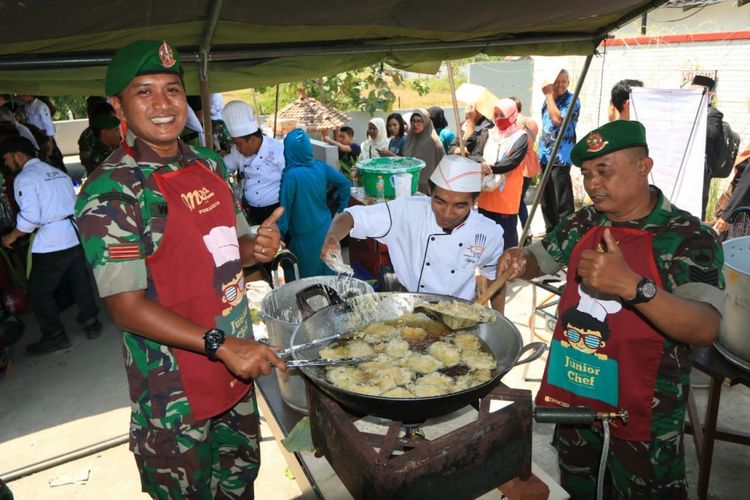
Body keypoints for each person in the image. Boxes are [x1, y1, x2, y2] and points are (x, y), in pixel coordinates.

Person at [74, 40, 286, 498]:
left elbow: (233, 248)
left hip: (236, 370)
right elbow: (126, 307)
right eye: (144, 92)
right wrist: (220, 343)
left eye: (171, 90)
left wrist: (258, 247)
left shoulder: (208, 163)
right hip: (174, 393)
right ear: (119, 106)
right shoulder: (112, 190)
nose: (163, 104)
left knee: (239, 485)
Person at [498, 120, 724, 498]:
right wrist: (520, 259)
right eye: (586, 174)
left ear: (643, 167)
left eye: (604, 171)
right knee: (576, 485)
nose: (592, 184)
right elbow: (542, 257)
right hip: (577, 391)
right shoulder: (585, 220)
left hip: (645, 410)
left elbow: (705, 328)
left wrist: (633, 286)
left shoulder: (688, 235)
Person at [321, 155, 505, 310]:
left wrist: (501, 322)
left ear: (474, 202)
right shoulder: (407, 212)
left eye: (460, 205)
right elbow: (350, 217)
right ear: (429, 192)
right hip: (410, 307)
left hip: (459, 312)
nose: (447, 214)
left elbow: (495, 279)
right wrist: (332, 237)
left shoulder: (488, 233)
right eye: (439, 202)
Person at [0, 136, 102, 355]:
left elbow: (30, 218)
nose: (6, 164)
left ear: (19, 155)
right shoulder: (55, 171)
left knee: (38, 292)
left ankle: (55, 336)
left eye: (7, 159)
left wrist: (10, 237)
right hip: (73, 235)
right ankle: (91, 323)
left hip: (51, 242)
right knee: (79, 281)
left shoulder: (25, 178)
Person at [278, 129, 351, 278]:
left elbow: (283, 211)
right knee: (330, 280)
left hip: (304, 241)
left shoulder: (290, 176)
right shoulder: (320, 166)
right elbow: (345, 184)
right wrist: (341, 210)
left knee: (306, 285)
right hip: (327, 230)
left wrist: (279, 236)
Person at [475, 98, 528, 250]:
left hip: (506, 200)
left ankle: (508, 272)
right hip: (485, 196)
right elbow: (476, 154)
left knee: (506, 243)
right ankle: (487, 273)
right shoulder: (488, 133)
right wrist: (481, 163)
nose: (498, 119)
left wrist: (491, 168)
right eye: (496, 114)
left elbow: (512, 161)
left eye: (502, 115)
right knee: (484, 241)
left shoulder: (520, 137)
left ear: (512, 115)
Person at [222, 100, 285, 225]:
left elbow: (291, 181)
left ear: (252, 140)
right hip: (251, 209)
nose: (238, 149)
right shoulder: (237, 152)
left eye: (239, 144)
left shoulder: (277, 150)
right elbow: (222, 166)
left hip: (276, 209)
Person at [538, 69, 580, 232]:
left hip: (560, 157)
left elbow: (557, 120)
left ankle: (567, 234)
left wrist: (548, 95)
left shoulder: (572, 100)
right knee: (546, 201)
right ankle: (550, 233)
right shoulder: (548, 101)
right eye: (557, 81)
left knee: (562, 203)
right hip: (545, 156)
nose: (561, 84)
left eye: (564, 81)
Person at [691, 75, 727, 220]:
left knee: (697, 208)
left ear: (709, 94)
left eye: (697, 92)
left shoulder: (713, 113)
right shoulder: (685, 110)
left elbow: (712, 133)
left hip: (701, 172)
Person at [510, 96, 541, 232]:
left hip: (518, 164)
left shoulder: (514, 124)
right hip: (530, 164)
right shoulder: (532, 122)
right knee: (520, 199)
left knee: (516, 200)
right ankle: (527, 229)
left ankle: (525, 230)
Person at [402, 109, 445, 194]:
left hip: (428, 189)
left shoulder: (433, 141)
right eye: (413, 121)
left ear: (425, 122)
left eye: (419, 121)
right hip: (409, 183)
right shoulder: (410, 138)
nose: (415, 124)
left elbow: (443, 163)